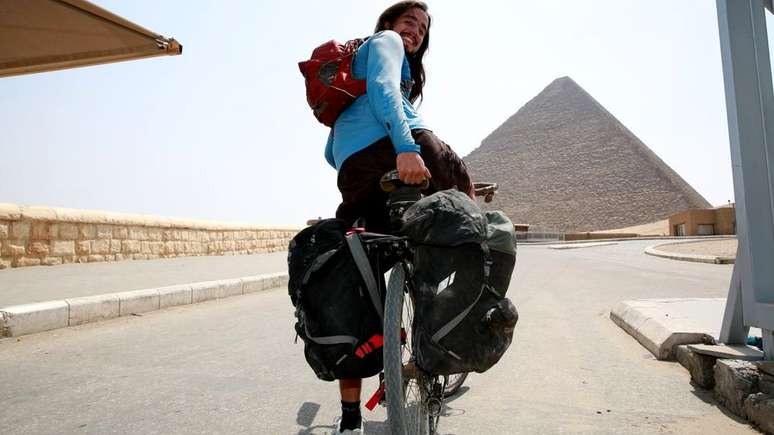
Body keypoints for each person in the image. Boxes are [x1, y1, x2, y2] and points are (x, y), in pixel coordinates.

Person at [323, 2, 473, 433]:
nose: (416, 32)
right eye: (410, 21)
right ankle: (447, 334)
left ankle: (352, 416)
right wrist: (405, 149)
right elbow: (387, 90)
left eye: (423, 29)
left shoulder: (356, 79)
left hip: (355, 175)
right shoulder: (385, 42)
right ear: (388, 23)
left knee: (361, 278)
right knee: (468, 220)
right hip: (401, 149)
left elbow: (331, 152)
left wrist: (363, 169)